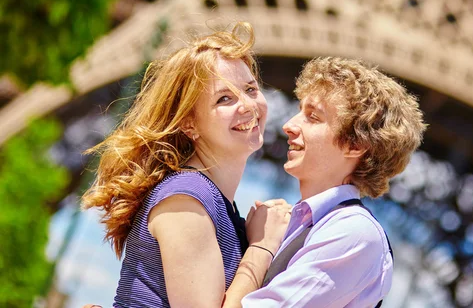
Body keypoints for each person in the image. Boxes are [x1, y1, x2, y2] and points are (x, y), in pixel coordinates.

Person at [81, 22, 290, 308]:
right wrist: (263, 246)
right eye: (224, 98)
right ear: (189, 124)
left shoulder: (214, 203)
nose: (248, 105)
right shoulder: (186, 198)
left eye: (251, 89)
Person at [240, 56, 427, 307]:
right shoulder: (302, 225)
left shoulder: (354, 234)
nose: (289, 125)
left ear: (355, 144)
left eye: (313, 117)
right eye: (298, 111)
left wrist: (260, 248)